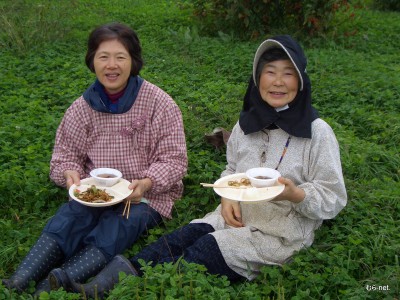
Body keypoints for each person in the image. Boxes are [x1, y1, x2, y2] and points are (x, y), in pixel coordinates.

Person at [49, 34, 347, 298]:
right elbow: (232, 170)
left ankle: (123, 291)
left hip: (280, 233)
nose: (278, 81)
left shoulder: (317, 132)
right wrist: (228, 196)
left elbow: (333, 196)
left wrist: (295, 195)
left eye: (288, 74)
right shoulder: (247, 125)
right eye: (270, 72)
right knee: (173, 241)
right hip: (231, 216)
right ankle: (95, 288)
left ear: (301, 80)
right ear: (258, 78)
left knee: (203, 252)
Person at [2, 22, 187, 294]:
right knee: (69, 218)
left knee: (117, 228)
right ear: (92, 61)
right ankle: (20, 280)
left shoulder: (159, 103)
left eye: (120, 57)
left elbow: (174, 160)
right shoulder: (81, 108)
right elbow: (64, 156)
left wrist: (146, 183)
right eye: (103, 57)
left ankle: (53, 284)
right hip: (95, 192)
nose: (111, 65)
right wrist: (69, 174)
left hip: (145, 195)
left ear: (133, 61)